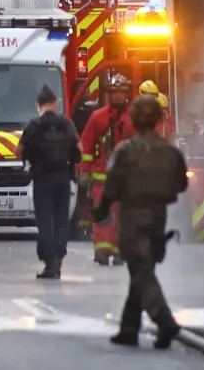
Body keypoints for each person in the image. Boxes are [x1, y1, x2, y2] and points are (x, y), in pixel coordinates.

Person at [98, 94, 188, 350]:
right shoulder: (171, 152)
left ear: (135, 119)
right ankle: (129, 328)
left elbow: (111, 187)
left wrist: (101, 210)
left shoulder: (125, 151)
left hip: (133, 217)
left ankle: (164, 320)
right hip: (159, 217)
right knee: (142, 267)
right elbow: (182, 184)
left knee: (141, 271)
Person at [18, 84, 81, 279]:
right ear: (56, 103)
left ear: (38, 105)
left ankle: (49, 262)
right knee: (61, 219)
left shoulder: (33, 125)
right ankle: (58, 260)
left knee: (45, 220)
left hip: (42, 177)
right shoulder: (67, 123)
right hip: (63, 177)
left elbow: (18, 150)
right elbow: (80, 148)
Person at [78, 74, 133, 265]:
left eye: (121, 92)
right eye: (115, 92)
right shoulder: (98, 117)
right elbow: (87, 145)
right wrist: (85, 171)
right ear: (109, 93)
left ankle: (119, 252)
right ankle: (102, 250)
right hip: (101, 176)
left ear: (127, 93)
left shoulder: (134, 118)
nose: (118, 96)